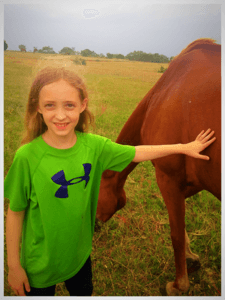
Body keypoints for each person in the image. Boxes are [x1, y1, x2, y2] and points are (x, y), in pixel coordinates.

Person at [4, 66, 216, 297]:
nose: (61, 115)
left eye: (69, 105)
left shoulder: (94, 146)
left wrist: (184, 147)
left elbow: (137, 152)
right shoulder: (27, 157)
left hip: (80, 258)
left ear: (83, 105)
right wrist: (14, 267)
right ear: (38, 107)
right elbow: (15, 212)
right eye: (50, 105)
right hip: (39, 265)